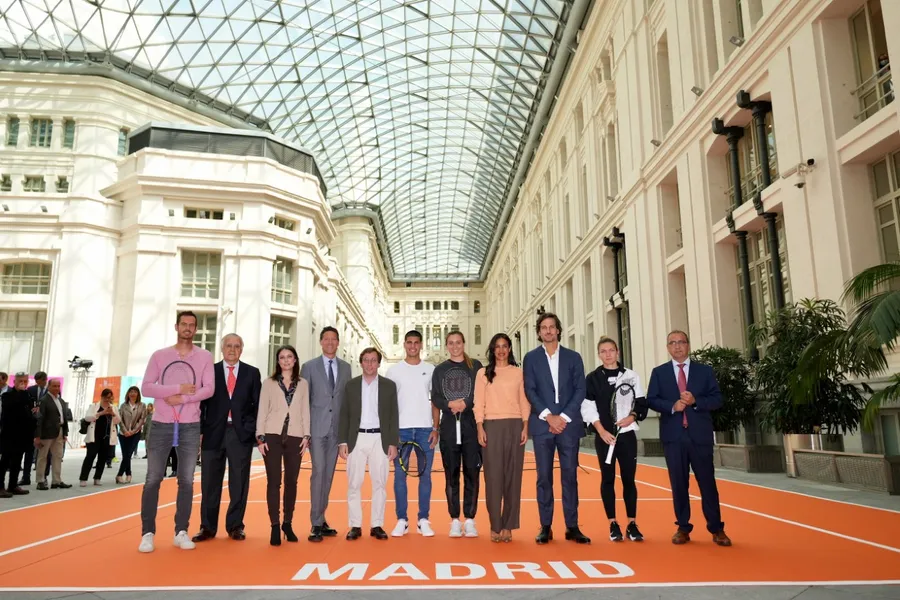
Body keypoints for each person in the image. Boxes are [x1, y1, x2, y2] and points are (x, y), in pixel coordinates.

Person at [139, 310, 215, 553]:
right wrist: (176, 389)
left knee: (186, 480)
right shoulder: (159, 356)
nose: (188, 328)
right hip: (160, 424)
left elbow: (208, 389)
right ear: (176, 326)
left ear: (196, 329)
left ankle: (181, 531)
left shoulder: (205, 357)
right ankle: (147, 533)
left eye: (192, 325)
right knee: (153, 479)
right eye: (184, 324)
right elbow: (146, 388)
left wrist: (182, 398)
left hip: (190, 426)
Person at [647, 330, 732, 547]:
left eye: (681, 342)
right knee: (678, 484)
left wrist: (696, 401)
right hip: (673, 437)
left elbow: (717, 399)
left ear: (688, 345)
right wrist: (672, 406)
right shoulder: (659, 373)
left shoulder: (704, 371)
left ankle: (717, 528)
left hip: (699, 436)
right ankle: (683, 527)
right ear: (668, 347)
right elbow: (652, 400)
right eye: (672, 343)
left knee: (707, 483)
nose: (677, 346)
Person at [522, 312, 590, 545]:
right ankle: (546, 526)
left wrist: (563, 417)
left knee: (569, 476)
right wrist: (548, 417)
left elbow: (580, 389)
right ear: (539, 332)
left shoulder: (573, 357)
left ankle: (572, 526)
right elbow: (530, 390)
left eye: (552, 327)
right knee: (544, 477)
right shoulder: (531, 358)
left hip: (568, 427)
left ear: (558, 330)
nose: (548, 331)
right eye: (544, 327)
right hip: (543, 426)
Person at [194, 334, 261, 542]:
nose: (232, 349)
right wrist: (200, 431)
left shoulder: (252, 373)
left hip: (240, 434)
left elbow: (257, 404)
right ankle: (207, 527)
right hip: (213, 433)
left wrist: (251, 429)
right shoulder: (209, 371)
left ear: (242, 349)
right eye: (229, 346)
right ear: (222, 348)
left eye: (237, 346)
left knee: (239, 482)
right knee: (209, 482)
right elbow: (201, 404)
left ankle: (235, 526)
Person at [581, 337, 648, 542]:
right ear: (599, 354)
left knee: (629, 480)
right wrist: (601, 431)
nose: (608, 354)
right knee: (607, 479)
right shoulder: (592, 379)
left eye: (611, 350)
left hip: (627, 437)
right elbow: (587, 408)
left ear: (617, 352)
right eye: (603, 351)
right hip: (605, 438)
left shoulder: (631, 376)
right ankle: (613, 523)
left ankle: (632, 524)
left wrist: (632, 417)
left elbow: (641, 403)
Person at [339, 347, 399, 541]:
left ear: (379, 363)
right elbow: (344, 415)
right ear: (361, 362)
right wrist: (343, 441)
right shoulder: (351, 386)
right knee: (354, 483)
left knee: (380, 483)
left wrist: (393, 443)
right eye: (366, 360)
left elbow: (393, 416)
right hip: (356, 438)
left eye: (373, 360)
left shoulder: (389, 386)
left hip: (380, 439)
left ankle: (377, 524)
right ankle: (355, 525)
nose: (370, 364)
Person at [474, 333, 529, 543]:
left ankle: (508, 525)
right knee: (493, 478)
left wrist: (525, 426)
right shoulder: (483, 374)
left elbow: (524, 401)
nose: (501, 350)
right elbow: (478, 402)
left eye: (504, 346)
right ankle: (495, 525)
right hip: (492, 427)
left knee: (513, 478)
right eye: (497, 346)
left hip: (515, 426)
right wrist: (480, 426)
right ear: (492, 349)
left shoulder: (518, 373)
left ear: (509, 349)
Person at [301, 326, 351, 542]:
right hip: (316, 430)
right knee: (319, 472)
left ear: (338, 343)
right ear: (321, 342)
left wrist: (345, 436)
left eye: (334, 339)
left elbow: (347, 402)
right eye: (326, 339)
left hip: (336, 431)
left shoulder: (346, 368)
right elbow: (303, 400)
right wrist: (305, 432)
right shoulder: (309, 367)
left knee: (328, 475)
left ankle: (321, 519)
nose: (330, 342)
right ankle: (315, 522)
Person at [256, 345, 310, 547]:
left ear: (295, 360)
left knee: (291, 482)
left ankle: (287, 523)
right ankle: (274, 525)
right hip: (272, 436)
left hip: (296, 436)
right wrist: (260, 437)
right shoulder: (268, 383)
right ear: (278, 361)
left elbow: (305, 410)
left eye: (289, 357)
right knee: (274, 482)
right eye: (282, 357)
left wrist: (307, 435)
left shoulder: (303, 384)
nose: (286, 360)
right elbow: (262, 410)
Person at [386, 330, 438, 538]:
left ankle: (423, 519)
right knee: (400, 476)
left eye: (416, 342)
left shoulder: (431, 369)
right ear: (404, 344)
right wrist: (392, 432)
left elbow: (435, 402)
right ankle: (402, 520)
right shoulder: (393, 371)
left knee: (426, 476)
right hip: (401, 431)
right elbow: (389, 404)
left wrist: (435, 428)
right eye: (409, 342)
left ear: (421, 345)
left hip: (426, 430)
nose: (413, 346)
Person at [432, 331, 482, 538]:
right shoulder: (440, 370)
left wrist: (465, 404)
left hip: (471, 428)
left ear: (463, 343)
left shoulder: (476, 366)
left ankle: (469, 519)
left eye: (458, 342)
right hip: (449, 429)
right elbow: (436, 397)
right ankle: (454, 519)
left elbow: (480, 392)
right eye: (451, 343)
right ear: (447, 346)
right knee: (451, 475)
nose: (455, 346)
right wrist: (449, 404)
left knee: (472, 473)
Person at [33, 378, 72, 490]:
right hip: (46, 433)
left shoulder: (61, 401)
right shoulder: (44, 400)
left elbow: (64, 418)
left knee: (58, 456)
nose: (56, 388)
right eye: (54, 386)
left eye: (58, 386)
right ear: (48, 386)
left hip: (59, 431)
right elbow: (39, 419)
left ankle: (56, 481)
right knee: (42, 457)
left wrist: (65, 433)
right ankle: (40, 481)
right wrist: (37, 436)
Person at [0, 373, 33, 498]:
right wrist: (21, 393)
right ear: (14, 382)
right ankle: (0, 487)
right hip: (9, 435)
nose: (23, 383)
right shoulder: (7, 395)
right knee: (4, 462)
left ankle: (13, 485)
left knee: (17, 462)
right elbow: (12, 407)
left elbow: (29, 410)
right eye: (20, 381)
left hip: (22, 435)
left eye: (25, 381)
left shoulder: (27, 395)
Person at [79, 388, 120, 486]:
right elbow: (87, 418)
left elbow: (118, 421)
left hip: (107, 437)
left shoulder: (113, 408)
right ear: (102, 397)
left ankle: (97, 478)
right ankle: (83, 478)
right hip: (94, 436)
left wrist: (112, 414)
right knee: (90, 457)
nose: (107, 399)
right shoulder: (94, 406)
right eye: (106, 397)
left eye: (109, 397)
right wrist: (101, 413)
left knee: (102, 458)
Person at [20, 371, 48, 486]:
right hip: (31, 425)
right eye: (37, 381)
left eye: (41, 381)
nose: (39, 383)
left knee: (45, 454)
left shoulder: (51, 391)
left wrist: (40, 409)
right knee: (29, 452)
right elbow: (26, 405)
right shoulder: (30, 390)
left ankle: (43, 478)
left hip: (45, 426)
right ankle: (26, 477)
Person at [116, 386, 146, 484]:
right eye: (131, 392)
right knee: (126, 455)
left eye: (135, 392)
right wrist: (125, 431)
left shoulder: (142, 405)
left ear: (138, 394)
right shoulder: (123, 406)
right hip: (123, 434)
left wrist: (133, 431)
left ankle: (119, 475)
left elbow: (141, 420)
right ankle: (128, 474)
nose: (133, 394)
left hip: (135, 434)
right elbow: (119, 419)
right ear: (128, 394)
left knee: (128, 454)